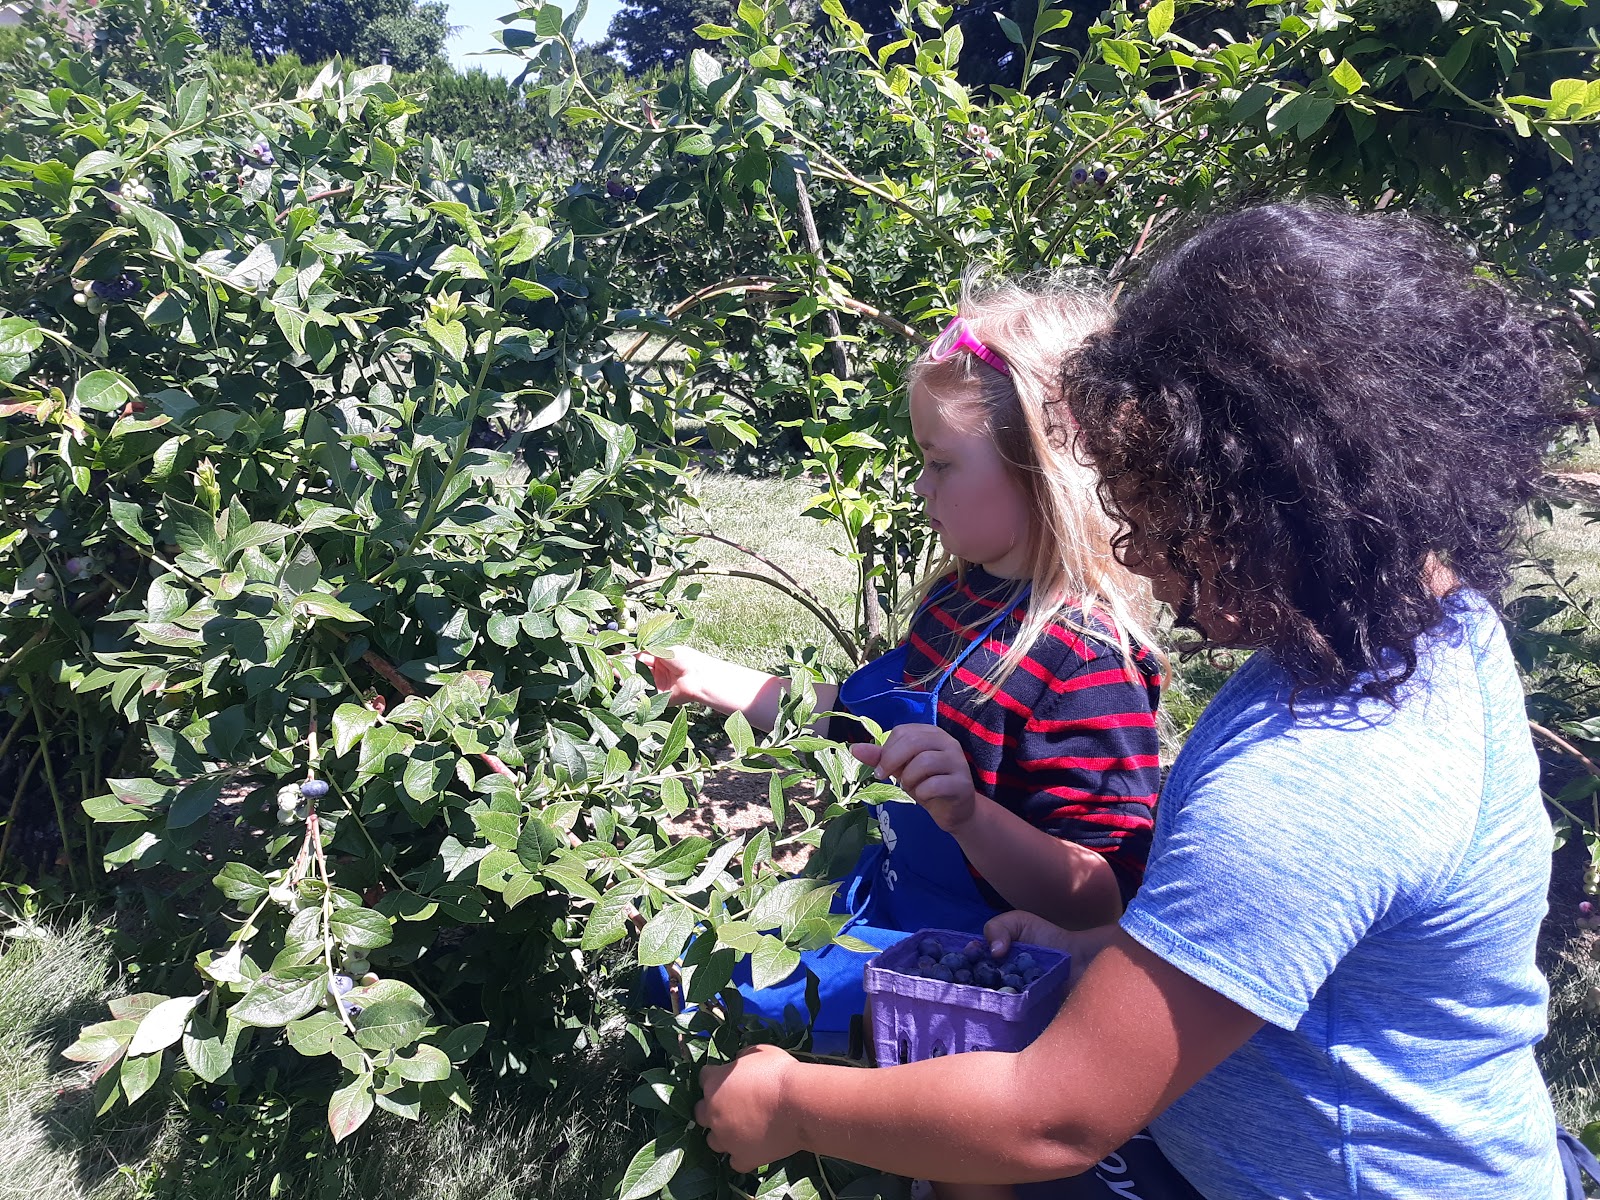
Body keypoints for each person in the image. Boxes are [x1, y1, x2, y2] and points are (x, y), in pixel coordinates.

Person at [691, 201, 1584, 1199]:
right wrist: (1104, 950)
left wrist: (788, 1104)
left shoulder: (1316, 784)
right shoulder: (1424, 625)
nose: (1130, 551)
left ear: (1280, 495)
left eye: (1162, 504)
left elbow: (1049, 1119)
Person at [641, 276, 1166, 1054]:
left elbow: (1100, 896)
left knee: (744, 1025)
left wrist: (968, 816)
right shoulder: (959, 599)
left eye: (941, 463)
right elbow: (864, 723)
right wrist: (710, 679)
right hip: (884, 902)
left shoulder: (1082, 657)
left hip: (971, 957)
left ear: (1040, 469)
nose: (921, 487)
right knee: (682, 977)